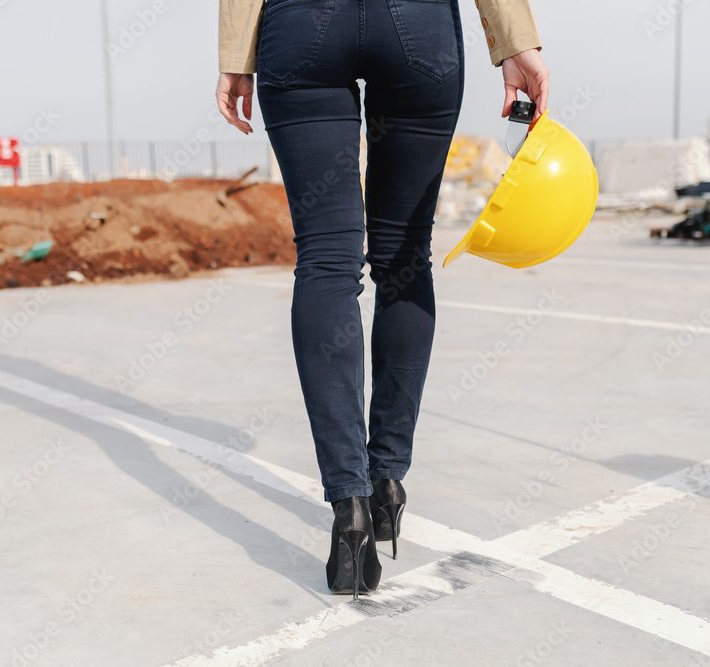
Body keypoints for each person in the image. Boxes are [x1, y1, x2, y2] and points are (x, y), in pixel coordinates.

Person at [215, 0, 549, 599]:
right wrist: (515, 42)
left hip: (303, 26)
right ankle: (387, 481)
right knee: (403, 255)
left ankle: (349, 509)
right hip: (415, 28)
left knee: (325, 258)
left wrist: (237, 54)